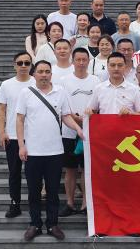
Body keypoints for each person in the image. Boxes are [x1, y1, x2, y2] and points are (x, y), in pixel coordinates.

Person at [16, 60, 84, 241]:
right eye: (40, 71)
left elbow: (66, 116)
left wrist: (77, 129)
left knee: (53, 191)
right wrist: (21, 145)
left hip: (54, 151)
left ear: (51, 74)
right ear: (34, 74)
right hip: (33, 152)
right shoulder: (26, 93)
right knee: (34, 191)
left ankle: (53, 224)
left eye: (47, 71)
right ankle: (35, 224)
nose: (44, 75)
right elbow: (20, 119)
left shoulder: (60, 92)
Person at [58, 48, 100, 217]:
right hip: (69, 131)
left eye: (84, 60)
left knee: (86, 169)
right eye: (78, 60)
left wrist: (89, 117)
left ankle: (85, 204)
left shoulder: (96, 80)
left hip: (90, 131)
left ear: (89, 61)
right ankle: (69, 202)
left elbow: (99, 104)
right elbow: (60, 104)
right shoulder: (63, 81)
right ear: (73, 61)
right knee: (70, 169)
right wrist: (74, 118)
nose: (81, 63)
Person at [0, 52, 36, 218]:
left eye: (27, 63)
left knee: (34, 173)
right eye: (20, 63)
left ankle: (35, 203)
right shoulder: (6, 85)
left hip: (34, 136)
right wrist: (2, 132)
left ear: (31, 65)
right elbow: (1, 110)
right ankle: (15, 204)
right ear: (14, 65)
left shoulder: (37, 82)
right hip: (12, 136)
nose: (23, 66)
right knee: (14, 172)